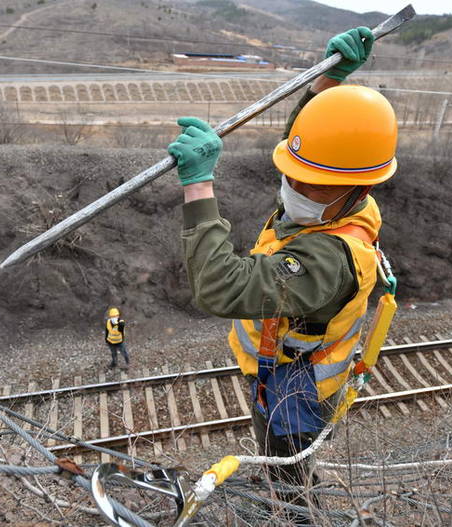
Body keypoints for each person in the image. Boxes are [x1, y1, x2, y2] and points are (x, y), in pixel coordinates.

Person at [168, 27, 393, 521]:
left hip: (295, 388)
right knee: (280, 455)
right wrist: (327, 85)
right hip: (282, 362)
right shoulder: (331, 201)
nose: (289, 185)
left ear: (348, 188)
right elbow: (309, 154)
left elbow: (218, 286)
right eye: (292, 173)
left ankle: (293, 507)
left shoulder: (329, 260)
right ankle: (284, 480)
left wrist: (198, 185)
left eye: (304, 182)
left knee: (286, 461)